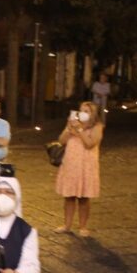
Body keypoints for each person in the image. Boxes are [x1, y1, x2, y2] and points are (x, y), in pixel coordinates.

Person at [54, 101, 104, 236]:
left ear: (93, 114)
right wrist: (69, 129)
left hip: (86, 166)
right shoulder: (73, 123)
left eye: (86, 111)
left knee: (83, 198)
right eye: (81, 110)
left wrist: (80, 130)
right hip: (71, 164)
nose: (83, 113)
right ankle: (67, 225)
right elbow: (61, 140)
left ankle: (83, 226)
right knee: (69, 196)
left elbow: (90, 144)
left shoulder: (97, 127)